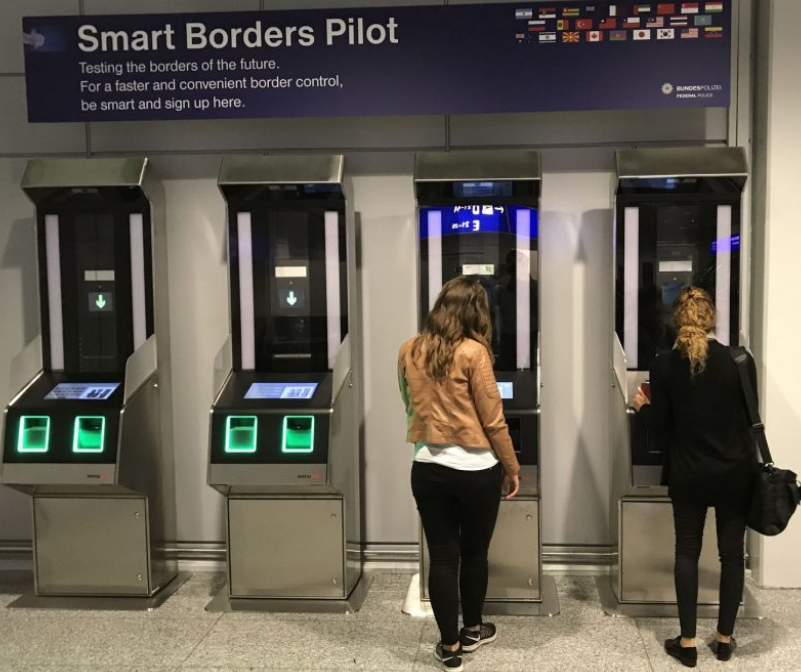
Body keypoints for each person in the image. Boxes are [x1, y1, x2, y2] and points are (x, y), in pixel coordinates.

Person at [398, 276, 520, 672]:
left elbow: (407, 402)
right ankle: (472, 629)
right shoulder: (474, 352)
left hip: (427, 468)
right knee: (474, 553)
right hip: (475, 470)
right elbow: (493, 419)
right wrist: (511, 467)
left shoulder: (409, 349)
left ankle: (449, 647)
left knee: (442, 556)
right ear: (476, 311)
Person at [632, 287, 757, 667]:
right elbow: (749, 418)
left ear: (676, 319)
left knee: (687, 551)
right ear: (712, 317)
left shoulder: (664, 365)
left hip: (688, 472)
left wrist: (642, 409)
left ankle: (687, 643)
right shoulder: (739, 360)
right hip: (734, 472)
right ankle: (724, 639)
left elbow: (661, 427)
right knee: (732, 554)